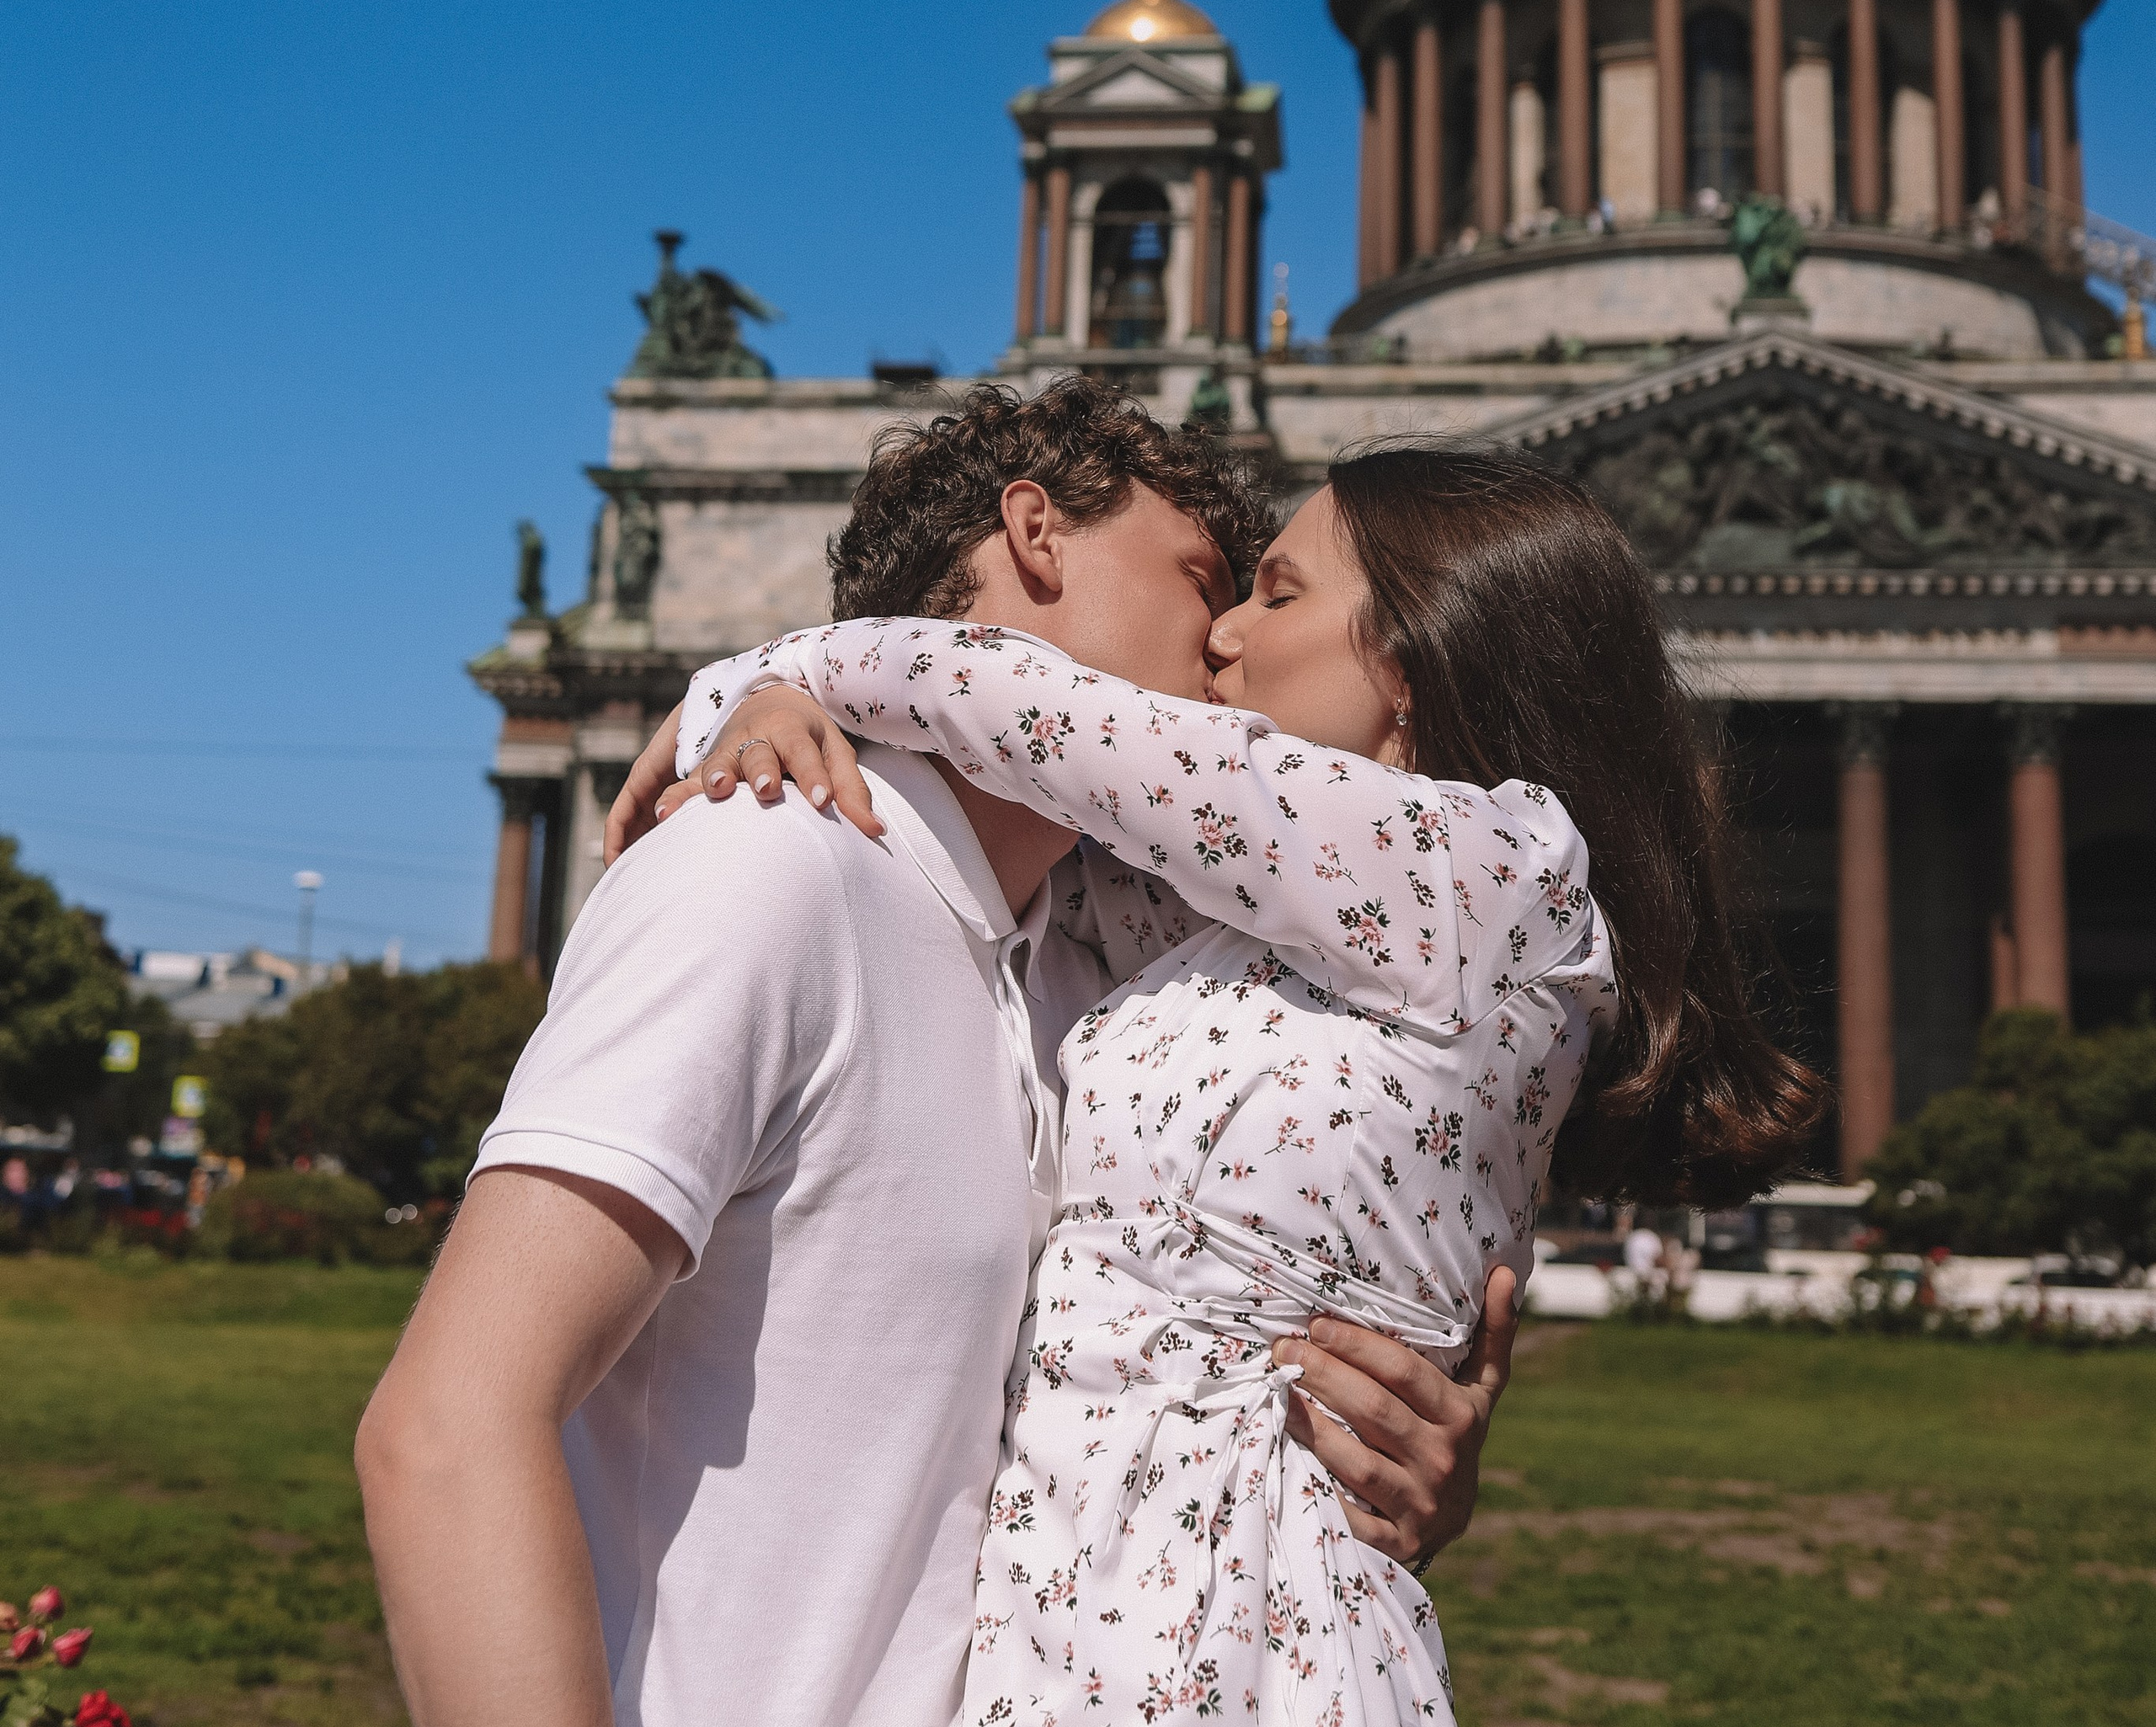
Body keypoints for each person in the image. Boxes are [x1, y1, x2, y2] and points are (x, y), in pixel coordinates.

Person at [357, 381, 1512, 1727]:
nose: (1227, 645)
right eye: (1204, 577)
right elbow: (448, 1432)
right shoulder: (770, 865)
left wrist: (1392, 1457)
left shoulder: (1086, 991)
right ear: (1035, 536)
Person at [639, 440, 1825, 1727]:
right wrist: (781, 726)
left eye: (1274, 590)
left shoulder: (1489, 871)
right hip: (1063, 1618)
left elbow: (1038, 718)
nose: (1219, 637)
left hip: (1232, 1631)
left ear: (1413, 662)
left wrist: (770, 669)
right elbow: (1018, 833)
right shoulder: (1256, 923)